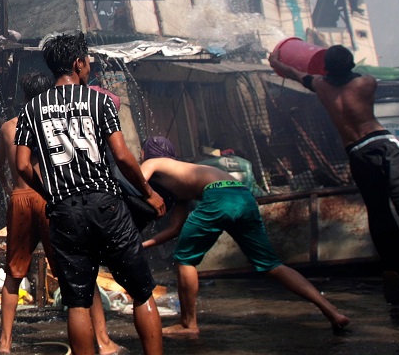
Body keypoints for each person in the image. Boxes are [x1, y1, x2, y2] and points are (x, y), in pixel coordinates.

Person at [16, 31, 188, 355]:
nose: (90, 64)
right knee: (141, 291)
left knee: (77, 301)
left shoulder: (31, 110)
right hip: (106, 205)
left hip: (64, 211)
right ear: (78, 63)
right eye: (88, 59)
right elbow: (124, 156)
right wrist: (148, 193)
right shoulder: (97, 100)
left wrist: (49, 194)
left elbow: (22, 165)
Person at [268, 43, 399, 304]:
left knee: (378, 210)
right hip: (381, 142)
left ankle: (393, 265)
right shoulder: (367, 82)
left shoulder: (320, 85)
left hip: (356, 153)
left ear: (325, 67)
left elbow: (292, 72)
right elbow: (350, 73)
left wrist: (275, 61)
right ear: (351, 65)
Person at [138, 138, 350, 336]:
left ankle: (188, 324)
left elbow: (136, 180)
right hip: (242, 195)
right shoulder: (180, 177)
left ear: (145, 152)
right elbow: (175, 229)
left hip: (217, 195)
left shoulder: (154, 161)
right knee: (271, 265)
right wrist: (142, 245)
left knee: (185, 259)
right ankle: (331, 310)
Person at [0, 73, 120, 355]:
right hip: (51, 197)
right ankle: (103, 340)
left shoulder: (7, 127)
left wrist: (12, 190)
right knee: (80, 269)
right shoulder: (48, 122)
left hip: (19, 199)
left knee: (14, 274)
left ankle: (4, 343)